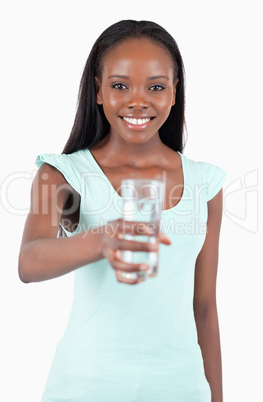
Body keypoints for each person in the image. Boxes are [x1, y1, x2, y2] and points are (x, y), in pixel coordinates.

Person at [18, 20, 226, 402]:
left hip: (180, 390)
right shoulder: (65, 175)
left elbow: (205, 308)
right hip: (84, 389)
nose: (138, 100)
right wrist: (103, 237)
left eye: (156, 87)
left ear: (175, 92)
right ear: (98, 91)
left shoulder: (205, 183)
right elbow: (29, 263)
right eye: (119, 86)